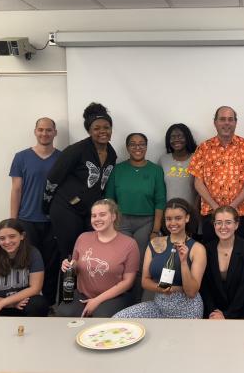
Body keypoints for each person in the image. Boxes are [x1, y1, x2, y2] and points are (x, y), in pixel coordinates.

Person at [43, 103, 117, 262]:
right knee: (70, 256)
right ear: (89, 131)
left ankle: (85, 288)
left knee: (90, 255)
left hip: (90, 212)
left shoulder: (112, 154)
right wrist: (46, 207)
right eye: (97, 128)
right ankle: (68, 287)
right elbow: (53, 178)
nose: (102, 131)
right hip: (66, 208)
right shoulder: (76, 150)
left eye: (106, 127)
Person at [114, 198, 207, 319]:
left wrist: (183, 262)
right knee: (119, 318)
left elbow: (191, 292)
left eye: (178, 218)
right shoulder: (155, 243)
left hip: (187, 309)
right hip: (159, 306)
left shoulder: (197, 249)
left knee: (171, 338)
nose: (173, 223)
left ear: (187, 218)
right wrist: (167, 289)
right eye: (169, 219)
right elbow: (145, 281)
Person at [105, 133, 166, 301]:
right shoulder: (118, 169)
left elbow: (160, 202)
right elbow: (109, 199)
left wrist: (155, 229)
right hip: (121, 222)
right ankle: (119, 299)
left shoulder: (155, 171)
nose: (137, 148)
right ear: (127, 148)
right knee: (120, 262)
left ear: (146, 147)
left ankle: (138, 301)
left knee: (139, 264)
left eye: (141, 144)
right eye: (133, 144)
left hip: (146, 222)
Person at [188, 106, 244, 243]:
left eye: (230, 119)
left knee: (240, 256)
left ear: (235, 122)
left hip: (239, 214)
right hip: (211, 214)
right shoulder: (203, 148)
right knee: (211, 257)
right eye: (222, 119)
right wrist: (215, 207)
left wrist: (232, 207)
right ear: (215, 122)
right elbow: (197, 182)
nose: (226, 123)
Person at [56, 199, 139, 317]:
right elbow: (75, 268)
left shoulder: (129, 244)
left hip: (114, 297)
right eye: (94, 216)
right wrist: (68, 265)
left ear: (113, 217)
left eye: (102, 215)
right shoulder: (83, 238)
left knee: (100, 317)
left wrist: (97, 300)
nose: (97, 219)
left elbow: (128, 282)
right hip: (83, 294)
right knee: (64, 313)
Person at [9, 117, 61, 306]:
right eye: (41, 130)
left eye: (49, 130)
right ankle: (23, 303)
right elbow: (16, 190)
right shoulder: (21, 157)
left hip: (52, 221)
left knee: (50, 266)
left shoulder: (62, 158)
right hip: (27, 220)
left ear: (55, 132)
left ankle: (46, 305)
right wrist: (13, 222)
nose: (44, 133)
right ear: (35, 131)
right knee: (25, 264)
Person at [0, 219, 49, 317]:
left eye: (12, 236)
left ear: (22, 236)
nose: (7, 242)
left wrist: (4, 303)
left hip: (22, 303)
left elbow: (35, 288)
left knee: (38, 304)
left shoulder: (33, 254)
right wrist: (10, 304)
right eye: (2, 238)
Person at [200, 206, 244, 319]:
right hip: (214, 312)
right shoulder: (206, 249)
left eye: (228, 222)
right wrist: (214, 312)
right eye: (218, 223)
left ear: (236, 225)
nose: (223, 227)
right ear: (214, 225)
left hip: (243, 311)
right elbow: (205, 287)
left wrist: (227, 315)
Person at [159, 123, 198, 204]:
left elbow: (201, 189)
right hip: (169, 212)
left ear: (187, 138)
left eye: (180, 136)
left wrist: (195, 209)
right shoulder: (163, 160)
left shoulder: (196, 159)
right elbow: (159, 189)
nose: (176, 139)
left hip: (190, 211)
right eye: (172, 137)